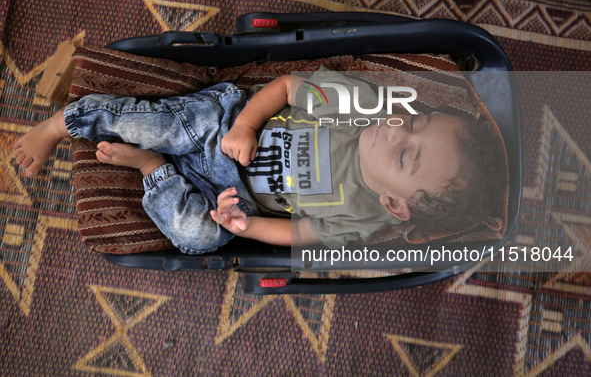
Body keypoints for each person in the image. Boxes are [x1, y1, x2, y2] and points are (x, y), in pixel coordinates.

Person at [12, 69, 505, 254]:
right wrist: (247, 123)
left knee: (200, 237)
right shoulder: (362, 106)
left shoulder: (362, 217)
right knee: (155, 122)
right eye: (415, 122)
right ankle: (62, 125)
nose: (398, 128)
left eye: (404, 154)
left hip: (228, 195)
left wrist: (241, 224)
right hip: (220, 125)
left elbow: (295, 234)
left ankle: (150, 169)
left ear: (395, 204)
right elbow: (289, 87)